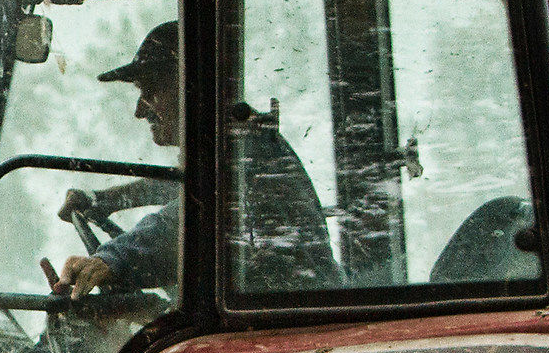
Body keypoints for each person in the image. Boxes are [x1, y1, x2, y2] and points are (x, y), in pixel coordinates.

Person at [54, 21, 340, 298]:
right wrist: (103, 199)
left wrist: (113, 259)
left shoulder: (245, 149)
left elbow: (192, 212)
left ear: (192, 86)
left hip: (285, 322)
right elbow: (180, 185)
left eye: (149, 91)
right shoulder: (230, 144)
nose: (140, 111)